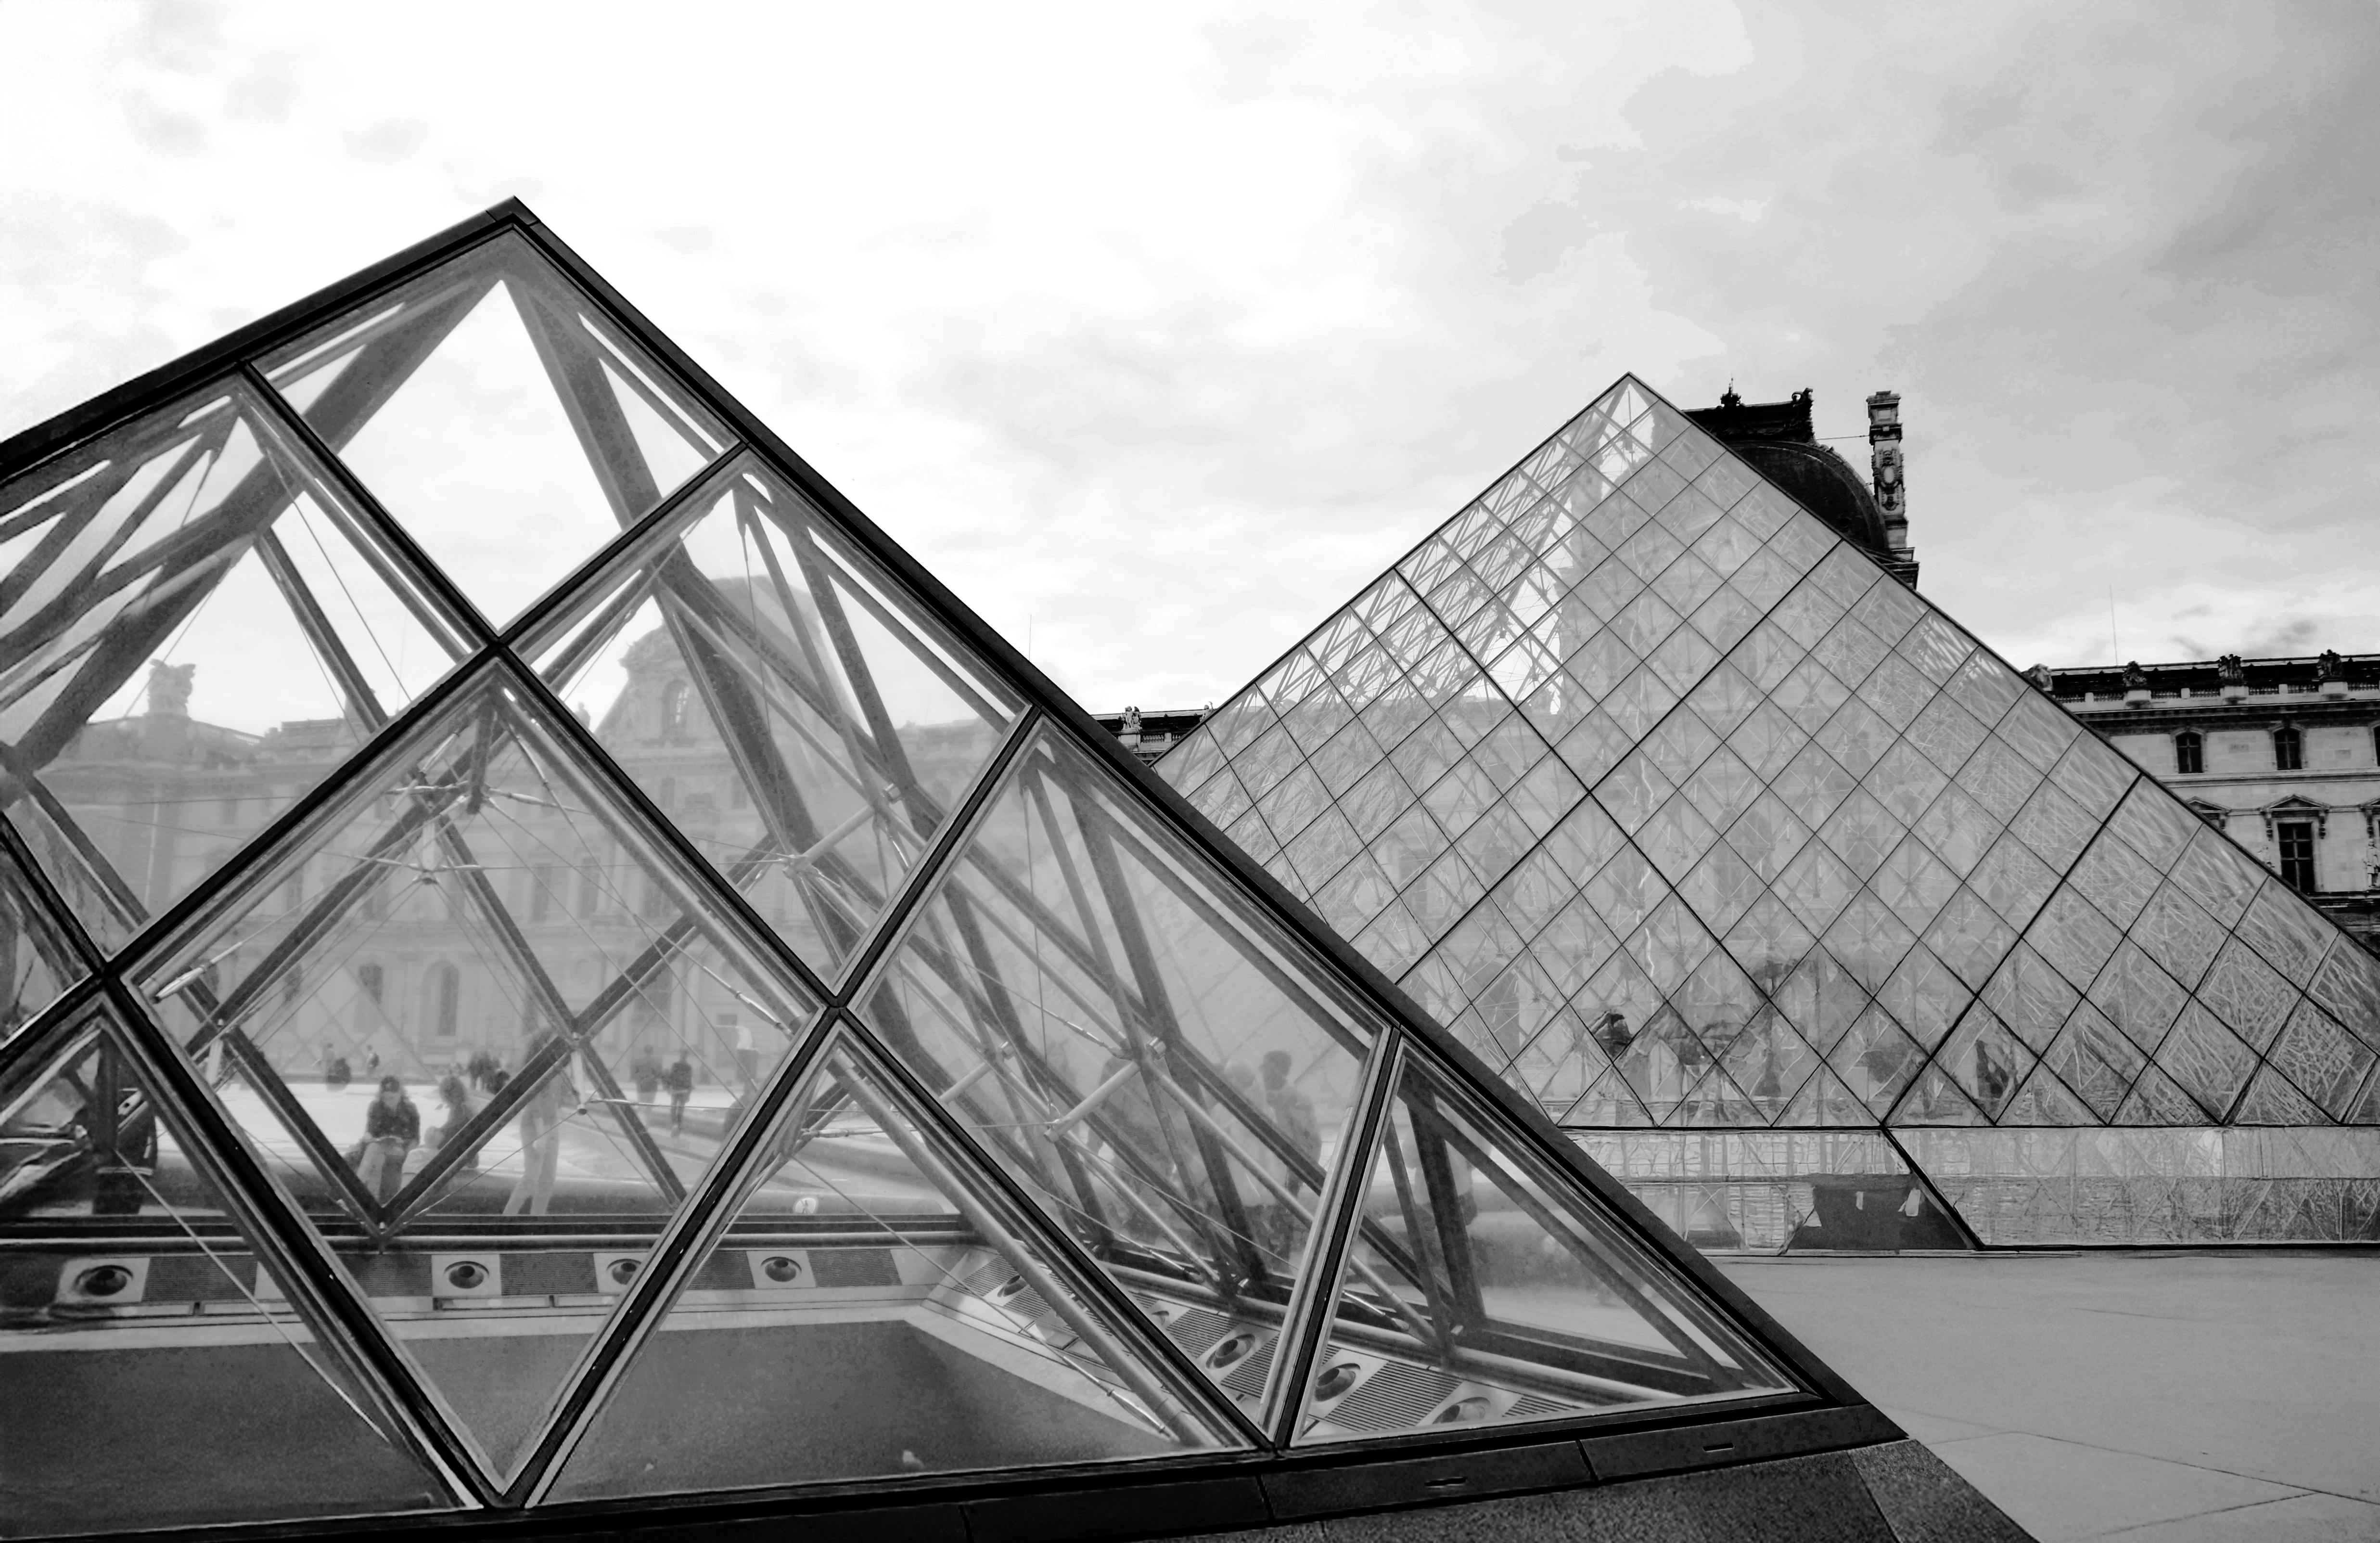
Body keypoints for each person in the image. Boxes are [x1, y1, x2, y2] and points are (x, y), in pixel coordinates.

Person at [504, 1055, 576, 1216]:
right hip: (534, 1126)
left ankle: (537, 1219)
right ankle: (506, 1220)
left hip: (551, 1125)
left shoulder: (561, 1072)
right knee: (531, 1178)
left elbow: (564, 1097)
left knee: (547, 1179)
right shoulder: (542, 1072)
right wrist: (541, 1134)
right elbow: (534, 1103)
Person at [352, 1076, 419, 1202]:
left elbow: (416, 1138)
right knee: (377, 1156)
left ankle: (354, 1193)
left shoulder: (410, 1109)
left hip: (400, 1149)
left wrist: (404, 1146)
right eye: (385, 1098)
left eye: (392, 1098)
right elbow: (370, 1132)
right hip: (379, 1148)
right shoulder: (376, 1107)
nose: (388, 1102)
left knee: (374, 1149)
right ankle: (374, 1200)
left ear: (400, 1094)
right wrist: (369, 1137)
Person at [633, 1045, 663, 1124]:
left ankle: (642, 1123)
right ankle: (647, 1122)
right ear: (652, 1052)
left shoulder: (638, 1062)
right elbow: (660, 1075)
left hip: (641, 1088)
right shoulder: (657, 1062)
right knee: (649, 1107)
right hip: (652, 1088)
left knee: (641, 1107)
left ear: (644, 1051)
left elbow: (635, 1075)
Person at [665, 1054, 694, 1134]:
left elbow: (671, 1077)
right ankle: (679, 1124)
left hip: (675, 1089)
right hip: (684, 1090)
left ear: (680, 1057)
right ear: (686, 1057)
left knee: (673, 1107)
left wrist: (668, 1087)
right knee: (681, 1108)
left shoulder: (675, 1065)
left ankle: (674, 1124)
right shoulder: (689, 1067)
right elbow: (689, 1080)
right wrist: (689, 1093)